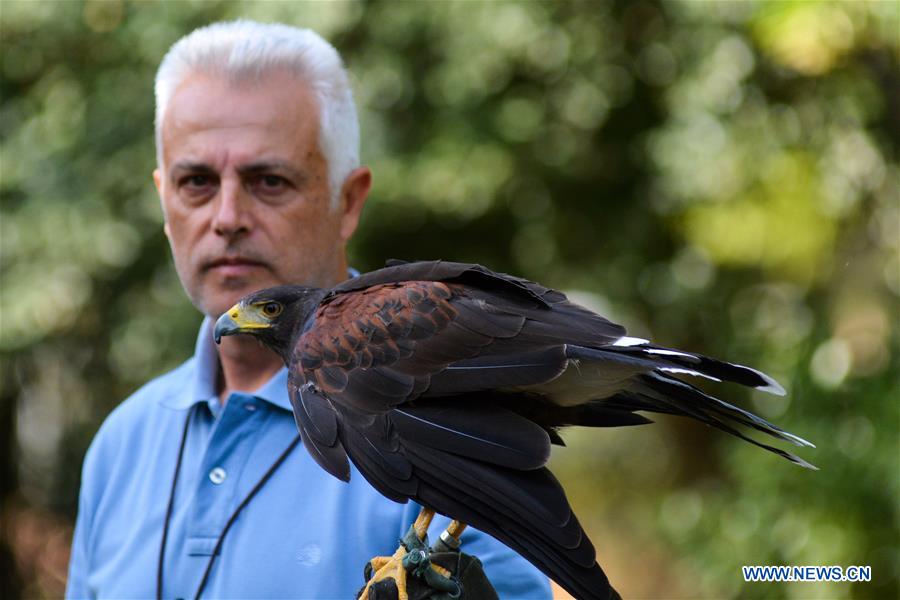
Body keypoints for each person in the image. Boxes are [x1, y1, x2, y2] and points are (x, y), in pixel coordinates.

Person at [65, 20, 552, 599]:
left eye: (268, 180)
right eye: (195, 181)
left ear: (347, 202)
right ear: (164, 202)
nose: (226, 217)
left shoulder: (439, 400)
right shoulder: (122, 445)